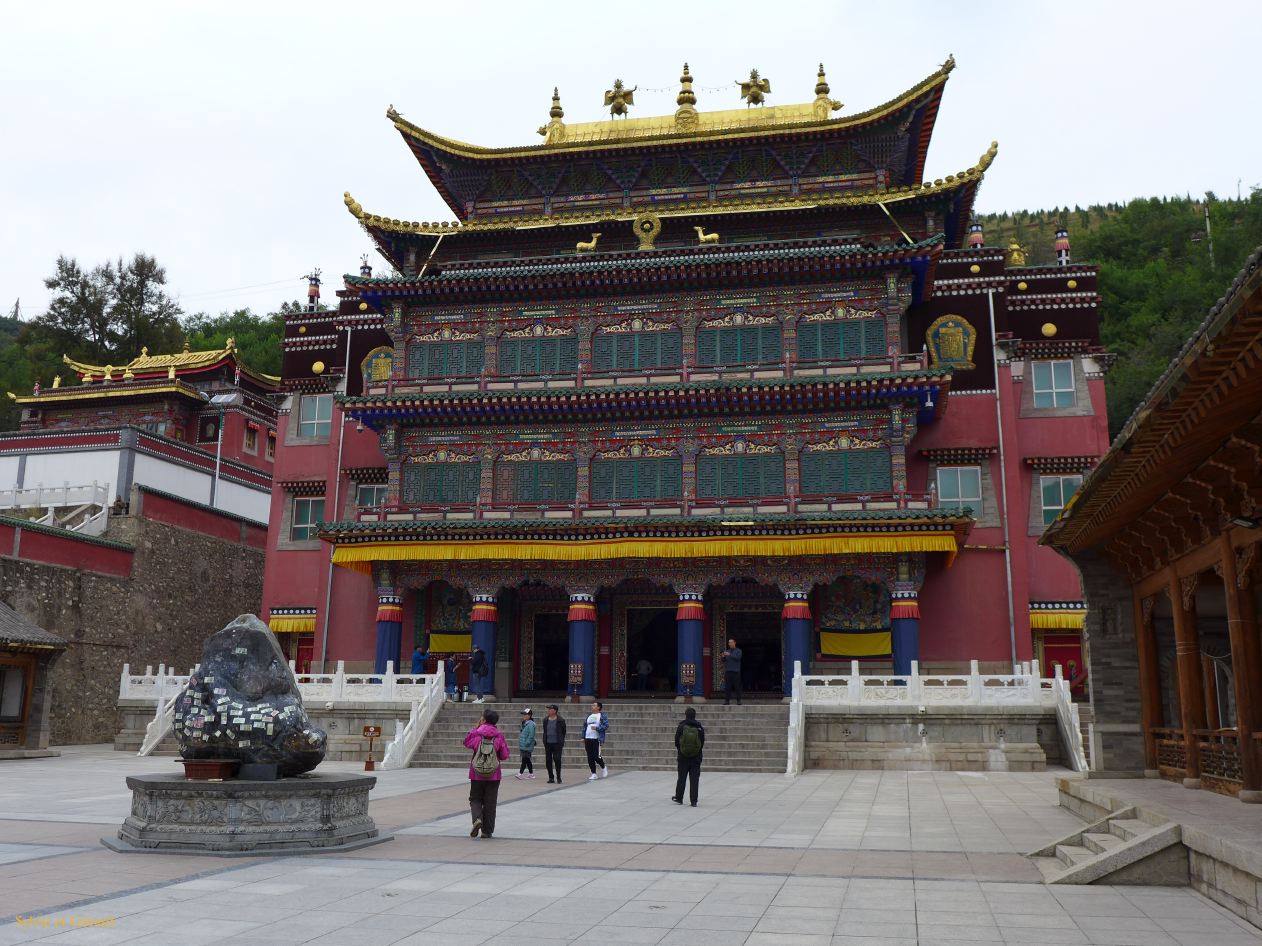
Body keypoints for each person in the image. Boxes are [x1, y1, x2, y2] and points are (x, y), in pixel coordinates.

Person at [463, 707, 510, 838]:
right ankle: (487, 831)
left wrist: (475, 728)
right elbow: (505, 755)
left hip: (477, 773)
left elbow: (466, 743)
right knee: (490, 802)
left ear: (484, 719)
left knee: (475, 798)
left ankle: (477, 818)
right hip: (493, 774)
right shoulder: (499, 736)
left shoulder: (477, 734)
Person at [672, 706, 705, 807]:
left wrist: (681, 750)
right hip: (696, 757)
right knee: (694, 779)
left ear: (686, 715)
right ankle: (694, 801)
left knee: (682, 777)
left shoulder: (681, 726)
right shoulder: (699, 727)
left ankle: (679, 797)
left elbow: (676, 741)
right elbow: (702, 741)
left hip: (683, 757)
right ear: (694, 715)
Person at [584, 700, 609, 780]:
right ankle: (593, 773)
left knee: (596, 756)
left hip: (596, 738)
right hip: (588, 738)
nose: (592, 706)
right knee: (590, 757)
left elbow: (606, 725)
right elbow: (584, 727)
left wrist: (597, 728)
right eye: (592, 705)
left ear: (598, 707)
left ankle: (604, 767)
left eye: (594, 705)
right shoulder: (589, 716)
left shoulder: (602, 716)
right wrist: (582, 736)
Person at [542, 703, 566, 783]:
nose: (548, 711)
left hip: (557, 743)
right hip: (548, 743)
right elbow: (545, 731)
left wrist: (561, 740)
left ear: (555, 711)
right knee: (548, 761)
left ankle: (558, 777)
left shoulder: (560, 720)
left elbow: (563, 731)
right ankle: (551, 777)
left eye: (550, 709)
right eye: (548, 709)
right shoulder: (545, 720)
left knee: (557, 759)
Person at [515, 707, 537, 779]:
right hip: (523, 744)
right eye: (523, 714)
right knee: (527, 760)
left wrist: (527, 743)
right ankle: (531, 773)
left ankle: (520, 773)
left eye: (525, 714)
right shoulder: (524, 723)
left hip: (527, 745)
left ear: (529, 715)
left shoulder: (531, 724)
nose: (524, 716)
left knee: (524, 759)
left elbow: (531, 735)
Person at [721, 638, 743, 705]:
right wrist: (723, 656)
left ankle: (738, 700)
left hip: (736, 672)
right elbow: (723, 661)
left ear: (734, 643)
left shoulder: (738, 651)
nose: (730, 644)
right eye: (729, 643)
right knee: (727, 687)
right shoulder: (727, 651)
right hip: (728, 671)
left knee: (737, 687)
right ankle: (727, 701)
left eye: (731, 642)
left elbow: (737, 658)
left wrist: (729, 654)